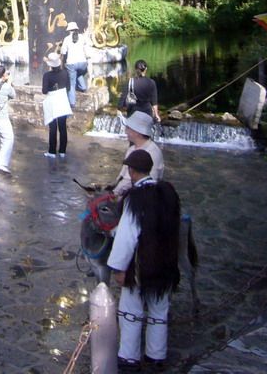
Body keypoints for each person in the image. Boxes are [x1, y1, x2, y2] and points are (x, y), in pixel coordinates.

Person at [106, 149, 182, 369]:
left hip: (141, 265)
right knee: (159, 309)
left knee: (131, 310)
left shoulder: (135, 199)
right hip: (166, 262)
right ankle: (156, 355)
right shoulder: (168, 194)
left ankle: (129, 357)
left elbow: (127, 237)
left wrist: (119, 269)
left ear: (131, 171)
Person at [113, 111, 166, 197]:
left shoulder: (153, 152)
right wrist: (114, 192)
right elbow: (122, 176)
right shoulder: (131, 149)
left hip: (141, 198)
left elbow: (148, 183)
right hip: (122, 195)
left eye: (128, 127)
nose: (125, 130)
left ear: (137, 131)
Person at [42, 51, 71, 158]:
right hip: (62, 100)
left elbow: (44, 91)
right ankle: (63, 151)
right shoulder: (65, 73)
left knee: (53, 127)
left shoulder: (47, 75)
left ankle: (52, 151)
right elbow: (68, 87)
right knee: (63, 127)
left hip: (52, 101)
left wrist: (53, 88)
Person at [61, 21, 90, 108]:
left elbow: (63, 51)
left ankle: (72, 102)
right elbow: (90, 44)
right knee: (78, 73)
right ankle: (83, 87)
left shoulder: (67, 39)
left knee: (72, 83)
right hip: (83, 63)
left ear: (69, 30)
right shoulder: (82, 37)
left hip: (72, 64)